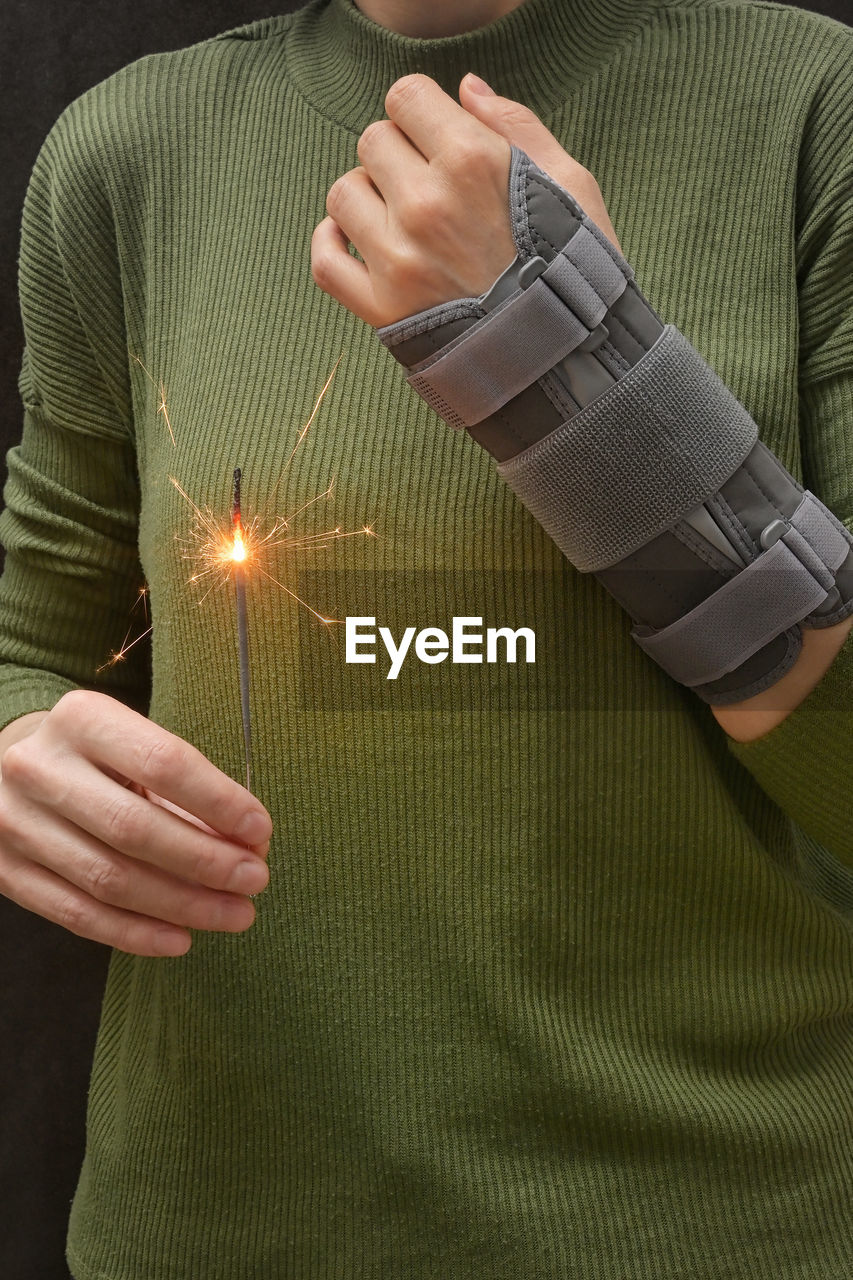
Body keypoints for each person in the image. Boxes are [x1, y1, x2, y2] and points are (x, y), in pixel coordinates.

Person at [0, 0, 851, 1275]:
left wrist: (583, 373)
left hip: (703, 1224)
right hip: (213, 1224)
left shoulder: (813, 106)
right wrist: (17, 755)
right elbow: (36, 634)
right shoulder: (124, 152)